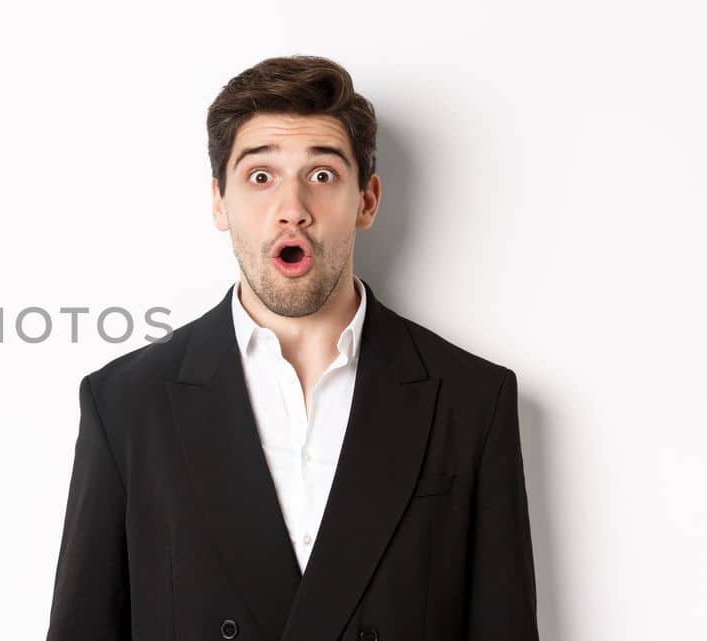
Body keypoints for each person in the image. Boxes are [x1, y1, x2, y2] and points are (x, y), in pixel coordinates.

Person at [44, 55, 540, 641]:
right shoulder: (125, 405)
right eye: (260, 177)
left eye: (322, 175)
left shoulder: (471, 401)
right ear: (218, 202)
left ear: (368, 200)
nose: (292, 209)